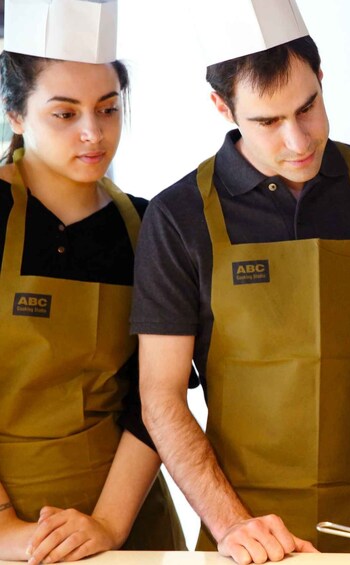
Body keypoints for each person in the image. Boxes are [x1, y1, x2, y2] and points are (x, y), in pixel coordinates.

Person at [131, 0, 350, 562]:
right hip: (249, 529)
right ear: (221, 107)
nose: (299, 141)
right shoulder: (178, 216)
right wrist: (231, 526)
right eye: (269, 122)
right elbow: (160, 399)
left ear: (322, 80)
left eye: (309, 108)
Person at [0, 1, 185, 564]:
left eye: (107, 108)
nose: (93, 133)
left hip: (130, 519)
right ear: (14, 114)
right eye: (65, 114)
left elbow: (155, 399)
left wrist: (107, 523)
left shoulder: (152, 225)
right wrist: (5, 527)